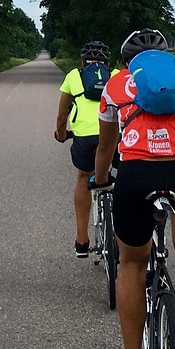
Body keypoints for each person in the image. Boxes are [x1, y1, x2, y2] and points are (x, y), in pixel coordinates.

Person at [93, 28, 175, 349]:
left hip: (137, 174)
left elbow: (105, 146)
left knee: (131, 262)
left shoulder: (115, 87)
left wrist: (100, 182)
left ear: (128, 62)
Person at [53, 41, 111, 258]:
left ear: (82, 61)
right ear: (108, 62)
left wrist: (61, 133)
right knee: (122, 177)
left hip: (85, 139)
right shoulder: (116, 76)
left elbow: (62, 113)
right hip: (114, 136)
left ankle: (81, 240)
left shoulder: (73, 76)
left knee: (84, 177)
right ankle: (121, 236)